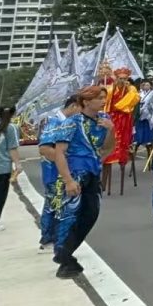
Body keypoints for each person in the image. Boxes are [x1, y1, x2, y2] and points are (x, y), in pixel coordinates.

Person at [51, 86, 115, 278]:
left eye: (104, 97)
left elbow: (109, 148)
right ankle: (64, 257)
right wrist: (68, 180)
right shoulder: (72, 122)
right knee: (70, 215)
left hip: (93, 170)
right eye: (99, 98)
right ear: (86, 101)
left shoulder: (105, 120)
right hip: (76, 172)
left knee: (91, 214)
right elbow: (59, 152)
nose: (103, 101)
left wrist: (111, 130)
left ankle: (65, 254)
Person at [37, 96, 82, 250]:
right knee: (53, 205)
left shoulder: (68, 123)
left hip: (63, 171)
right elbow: (44, 149)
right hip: (54, 172)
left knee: (62, 206)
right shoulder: (54, 121)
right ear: (74, 106)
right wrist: (64, 160)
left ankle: (58, 239)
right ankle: (48, 238)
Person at [101, 68, 140, 195]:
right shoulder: (110, 89)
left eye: (125, 78)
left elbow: (131, 102)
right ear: (116, 78)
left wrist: (128, 91)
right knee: (107, 148)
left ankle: (123, 159)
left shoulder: (131, 89)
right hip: (111, 118)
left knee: (122, 144)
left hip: (124, 120)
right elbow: (105, 104)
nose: (123, 81)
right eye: (120, 78)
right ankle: (103, 183)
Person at [0, 105, 23, 232]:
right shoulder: (11, 128)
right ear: (13, 114)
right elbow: (12, 148)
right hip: (2, 168)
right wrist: (18, 164)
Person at [132, 78, 153, 155]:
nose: (146, 86)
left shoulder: (152, 94)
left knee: (148, 132)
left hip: (148, 115)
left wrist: (148, 106)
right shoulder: (139, 93)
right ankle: (137, 140)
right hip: (140, 115)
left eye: (147, 85)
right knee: (139, 130)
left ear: (150, 86)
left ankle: (149, 141)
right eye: (144, 84)